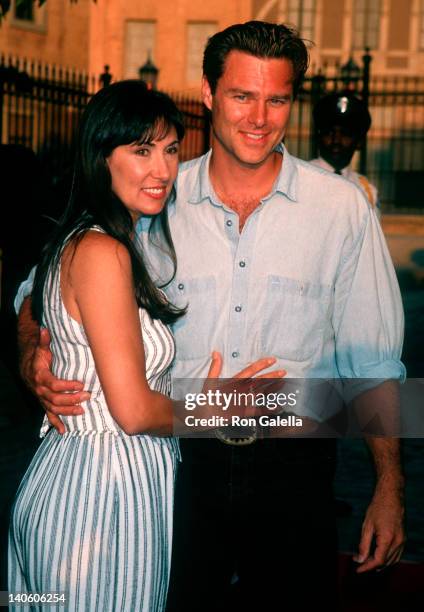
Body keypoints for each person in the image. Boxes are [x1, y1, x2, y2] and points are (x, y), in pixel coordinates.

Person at [16, 22, 405, 612]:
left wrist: (389, 486)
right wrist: (31, 349)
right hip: (178, 468)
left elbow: (372, 360)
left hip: (296, 467)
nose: (259, 117)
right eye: (241, 96)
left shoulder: (341, 209)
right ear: (207, 92)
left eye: (276, 98)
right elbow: (41, 285)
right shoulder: (154, 196)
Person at [9, 81, 282, 611]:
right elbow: (132, 411)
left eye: (171, 150)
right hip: (99, 499)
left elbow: (37, 293)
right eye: (140, 150)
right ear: (100, 156)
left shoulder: (111, 235)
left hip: (111, 483)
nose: (161, 170)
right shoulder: (103, 250)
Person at [310, 91, 380, 211]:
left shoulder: (367, 192)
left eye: (345, 134)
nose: (336, 140)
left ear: (359, 142)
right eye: (329, 132)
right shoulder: (300, 180)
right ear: (318, 137)